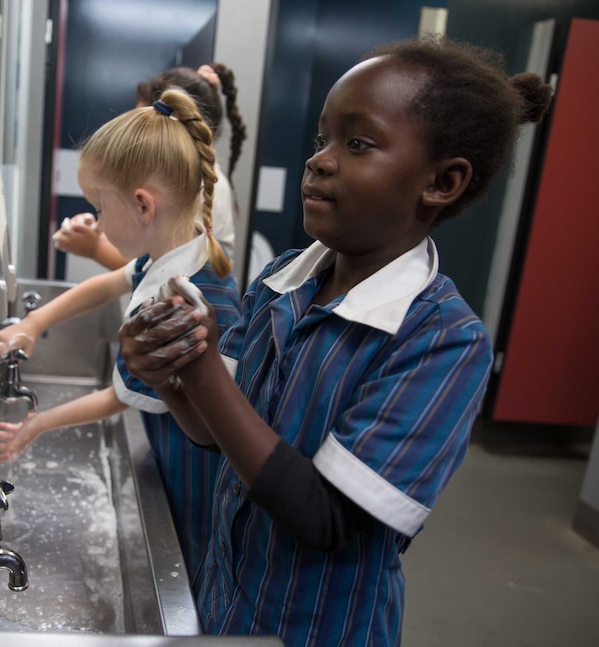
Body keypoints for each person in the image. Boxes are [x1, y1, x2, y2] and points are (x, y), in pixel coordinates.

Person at [116, 36, 553, 646]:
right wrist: (172, 373)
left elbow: (324, 517)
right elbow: (218, 435)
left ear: (442, 182)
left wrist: (207, 374)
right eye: (323, 140)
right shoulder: (284, 279)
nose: (319, 160)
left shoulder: (442, 341)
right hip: (226, 605)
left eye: (357, 144)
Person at [0, 88, 242, 578]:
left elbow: (116, 399)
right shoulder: (185, 247)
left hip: (196, 490)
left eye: (99, 208)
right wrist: (34, 322)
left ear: (143, 205)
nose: (97, 223)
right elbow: (107, 282)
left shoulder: (175, 305)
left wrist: (37, 423)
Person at [54, 63, 246, 268]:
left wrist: (94, 248)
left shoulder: (197, 187)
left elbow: (158, 263)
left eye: (144, 127)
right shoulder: (176, 177)